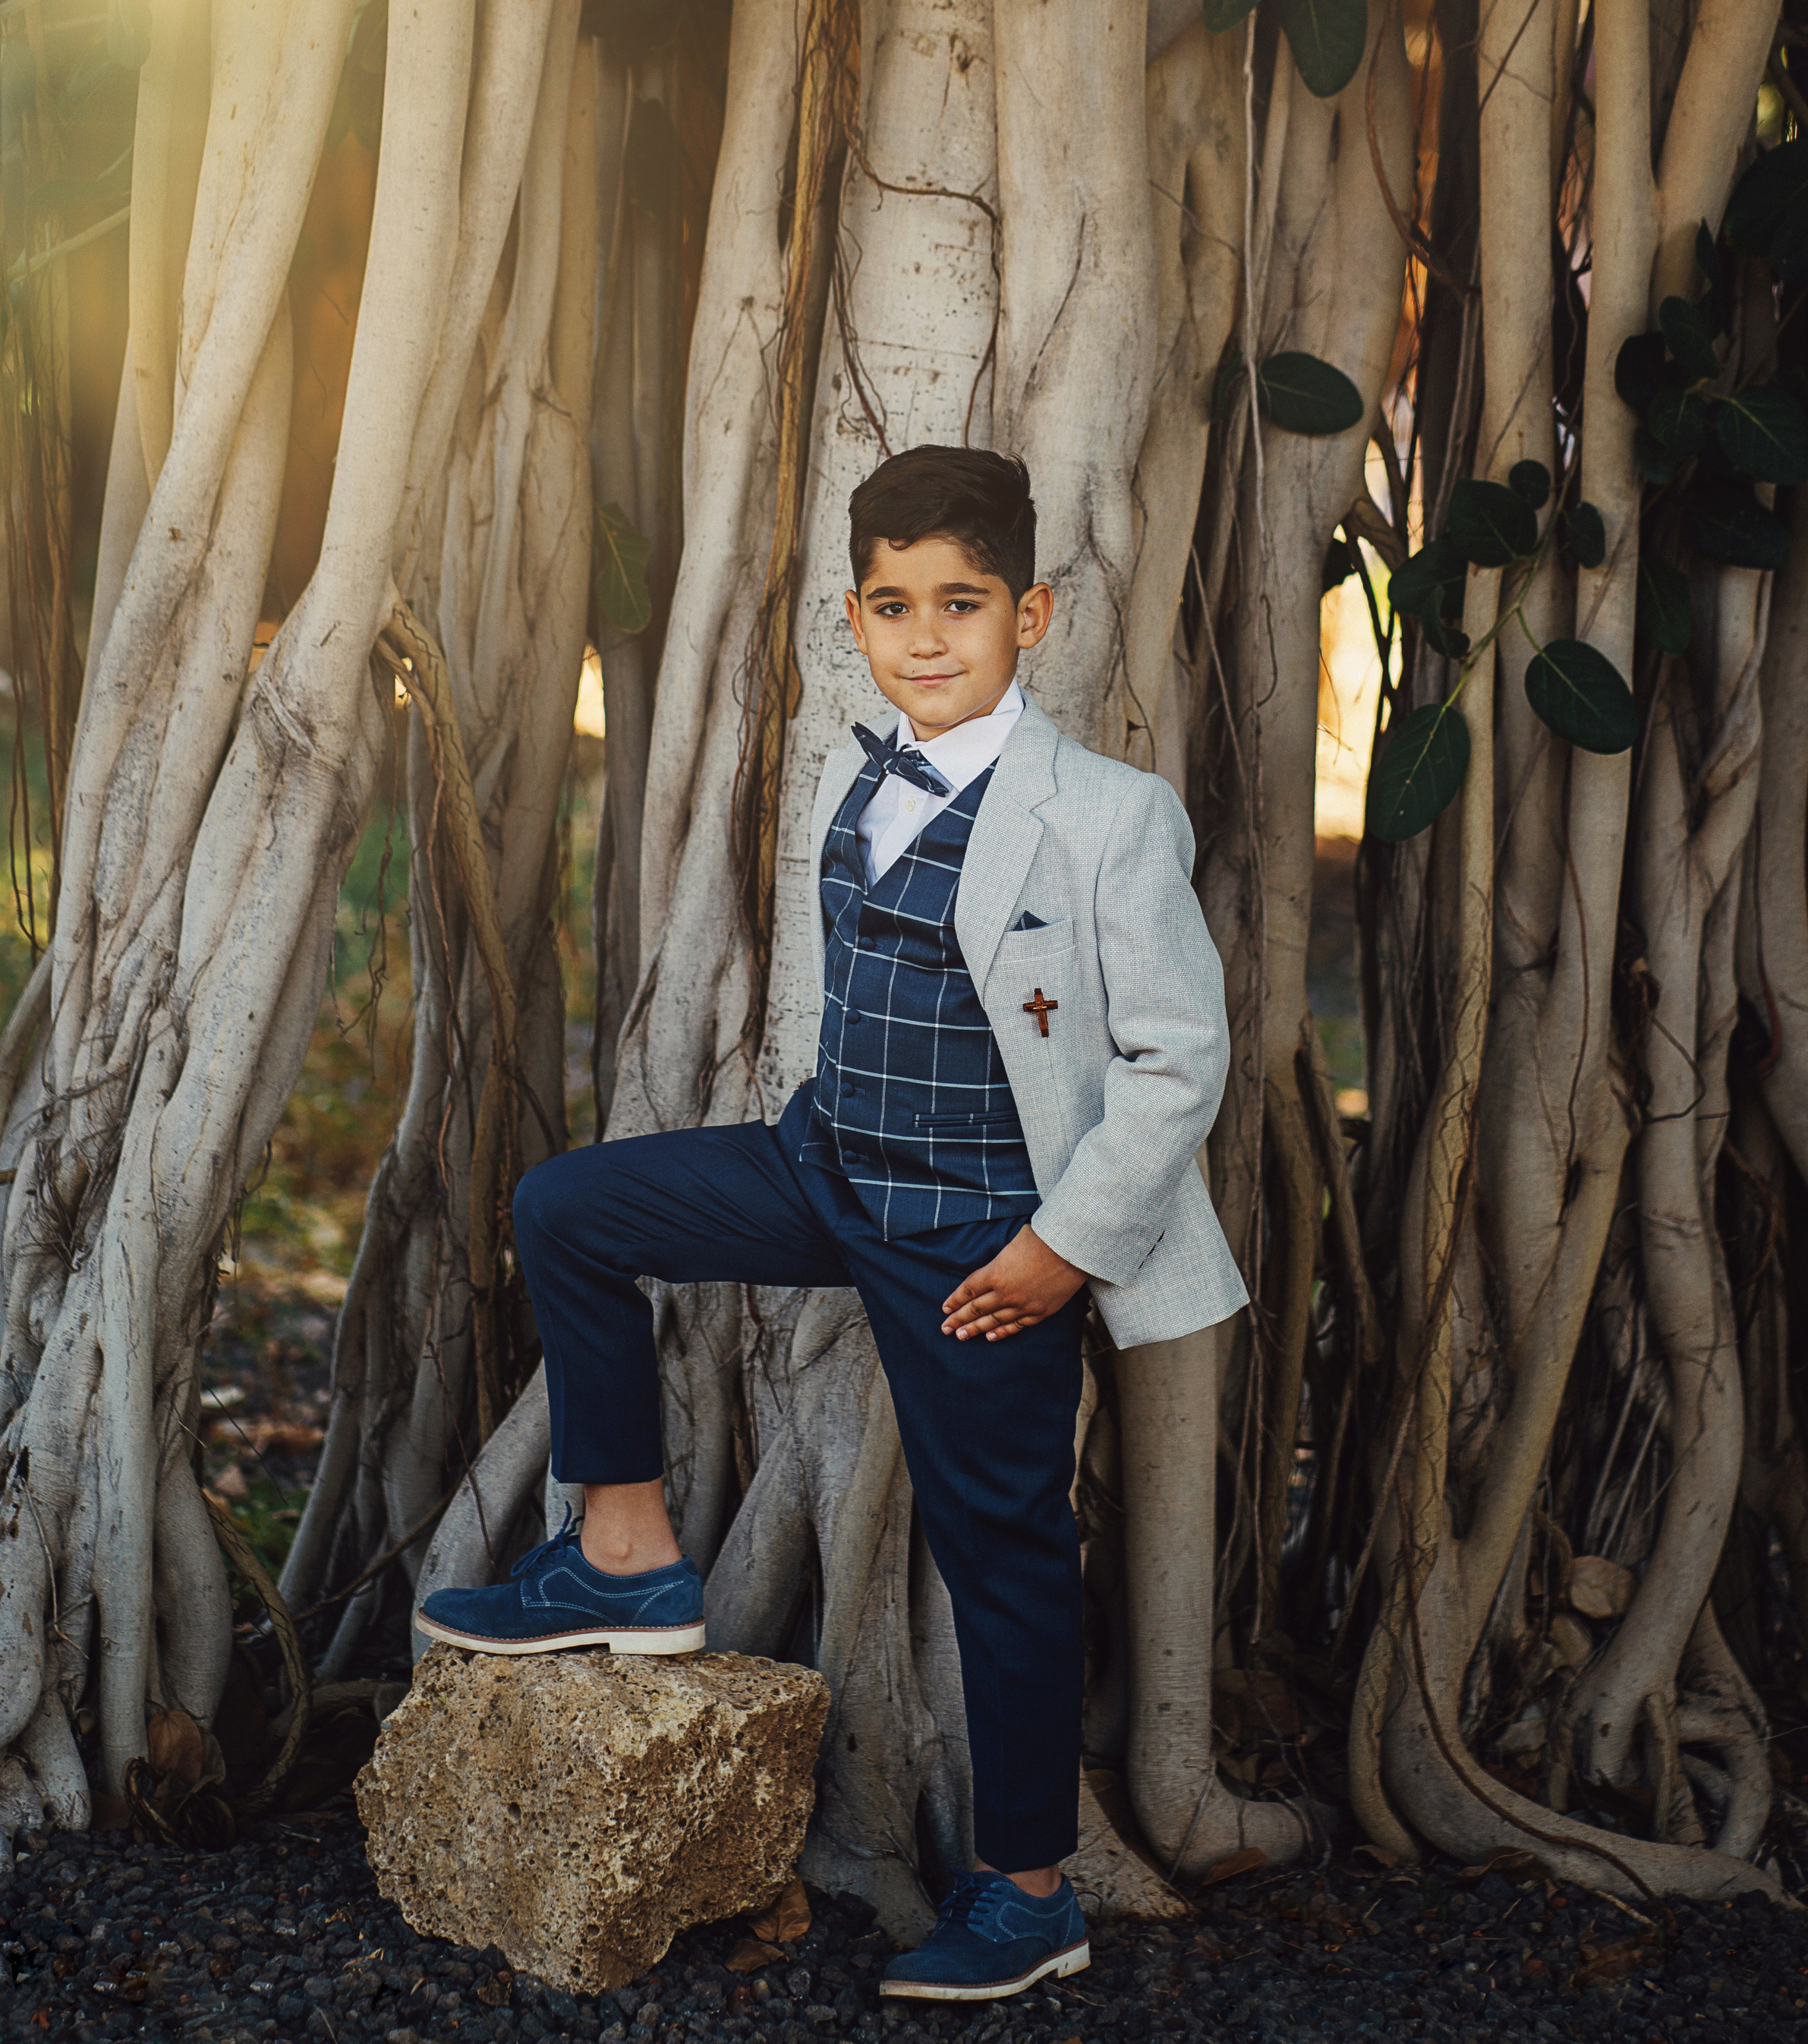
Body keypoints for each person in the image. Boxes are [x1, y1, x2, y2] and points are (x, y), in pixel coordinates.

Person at [416, 446, 1246, 2006]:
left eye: (961, 603)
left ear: (1030, 614)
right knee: (569, 1206)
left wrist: (1061, 1247)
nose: (926, 636)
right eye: (893, 605)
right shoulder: (857, 773)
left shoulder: (1107, 815)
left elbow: (1176, 1057)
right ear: (854, 618)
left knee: (1002, 1546)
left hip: (978, 1234)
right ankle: (626, 1551)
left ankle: (1028, 1889)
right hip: (826, 1168)